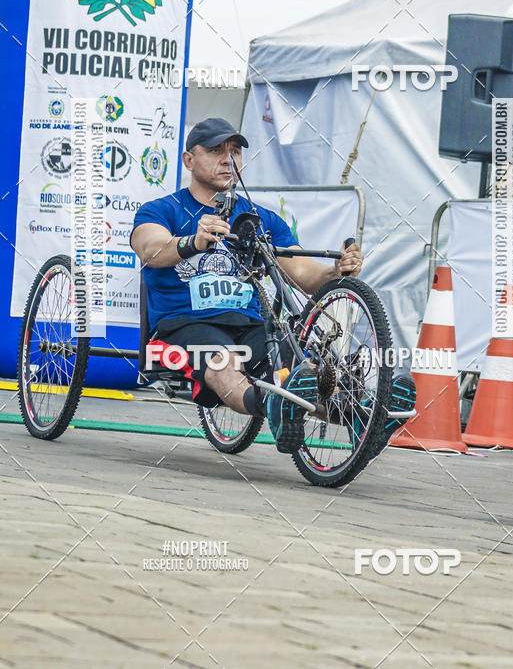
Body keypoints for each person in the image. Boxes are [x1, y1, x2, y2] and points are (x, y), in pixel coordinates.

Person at [130, 117, 414, 452]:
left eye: (234, 151)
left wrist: (334, 272)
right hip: (185, 325)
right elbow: (150, 249)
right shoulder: (161, 210)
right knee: (223, 361)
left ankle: (366, 417)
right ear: (189, 160)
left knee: (304, 369)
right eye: (215, 150)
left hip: (251, 324)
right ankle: (271, 403)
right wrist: (192, 241)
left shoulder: (260, 218)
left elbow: (304, 274)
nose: (228, 159)